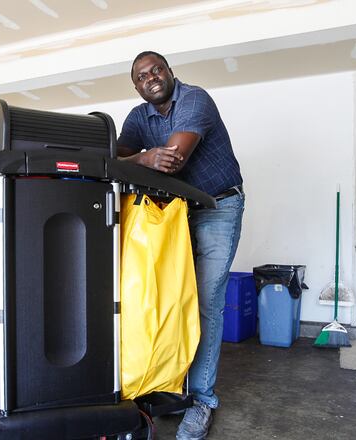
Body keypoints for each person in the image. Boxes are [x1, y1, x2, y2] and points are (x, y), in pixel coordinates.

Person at [117, 51, 245, 440]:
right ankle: (168, 381)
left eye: (157, 69)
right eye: (142, 76)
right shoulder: (139, 117)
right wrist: (144, 156)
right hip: (174, 211)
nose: (151, 77)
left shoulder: (195, 100)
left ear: (170, 72)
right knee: (168, 297)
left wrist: (147, 159)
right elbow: (115, 156)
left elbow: (171, 161)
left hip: (217, 206)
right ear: (136, 86)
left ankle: (202, 398)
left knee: (205, 302)